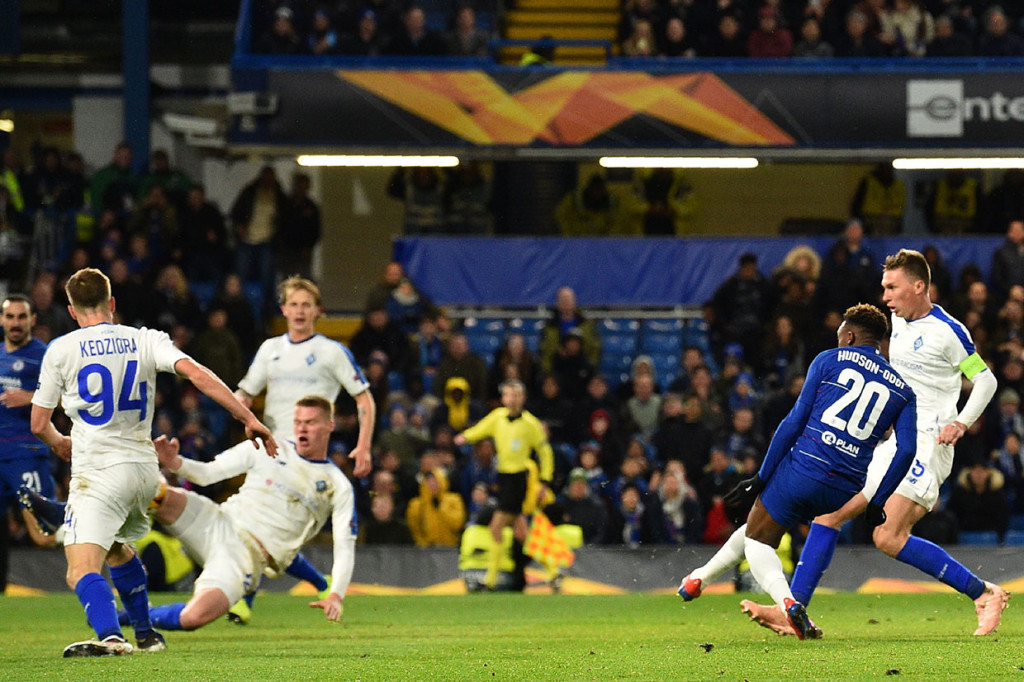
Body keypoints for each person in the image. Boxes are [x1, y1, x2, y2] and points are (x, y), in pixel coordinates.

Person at [742, 249, 1007, 638]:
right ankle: (793, 609)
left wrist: (961, 422)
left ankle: (983, 594)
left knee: (887, 536)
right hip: (891, 443)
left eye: (892, 287)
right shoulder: (895, 325)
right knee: (827, 515)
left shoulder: (948, 333)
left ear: (919, 286)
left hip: (926, 443)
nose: (885, 296)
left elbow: (985, 380)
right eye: (884, 287)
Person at [29, 267, 276, 657]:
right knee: (117, 550)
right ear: (111, 304)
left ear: (72, 311)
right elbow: (198, 374)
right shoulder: (145, 339)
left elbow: (39, 423)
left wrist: (61, 444)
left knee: (80, 569)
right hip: (145, 473)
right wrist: (248, 418)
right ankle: (146, 635)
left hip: (98, 472)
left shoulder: (60, 349)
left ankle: (111, 636)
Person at [677, 303, 917, 640]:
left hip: (805, 467)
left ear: (848, 336)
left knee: (757, 540)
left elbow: (793, 421)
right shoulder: (903, 390)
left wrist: (761, 476)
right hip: (844, 487)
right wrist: (877, 502)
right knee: (758, 525)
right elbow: (907, 450)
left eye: (839, 336)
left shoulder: (827, 360)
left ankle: (789, 603)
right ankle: (698, 578)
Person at [131, 396, 353, 631]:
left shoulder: (337, 485)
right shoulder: (267, 447)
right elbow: (208, 473)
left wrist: (336, 594)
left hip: (245, 558)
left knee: (192, 618)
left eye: (310, 422)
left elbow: (344, 546)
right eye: (298, 421)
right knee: (151, 492)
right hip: (217, 521)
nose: (302, 428)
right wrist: (176, 462)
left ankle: (126, 617)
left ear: (330, 425)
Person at [235, 276, 375, 471]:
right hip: (271, 452)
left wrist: (364, 446)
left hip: (310, 454)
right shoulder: (269, 348)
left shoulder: (332, 351)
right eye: (293, 304)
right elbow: (245, 392)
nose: (299, 311)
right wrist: (241, 402)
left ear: (318, 310)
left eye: (306, 305)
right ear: (284, 309)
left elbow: (364, 399)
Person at [453, 379, 554, 590]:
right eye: (508, 394)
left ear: (523, 398)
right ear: (503, 398)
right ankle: (553, 572)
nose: (512, 399)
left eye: (516, 395)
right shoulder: (498, 417)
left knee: (496, 527)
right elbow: (480, 430)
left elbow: (545, 452)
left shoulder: (530, 424)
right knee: (521, 533)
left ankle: (490, 580)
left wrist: (545, 479)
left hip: (518, 479)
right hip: (504, 478)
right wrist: (465, 437)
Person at [0, 295, 53, 593]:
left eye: (22, 317)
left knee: (43, 533)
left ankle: (107, 553)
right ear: (2, 320)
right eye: (10, 317)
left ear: (33, 320)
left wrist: (30, 398)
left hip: (26, 454)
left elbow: (64, 397)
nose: (16, 323)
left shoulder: (43, 355)